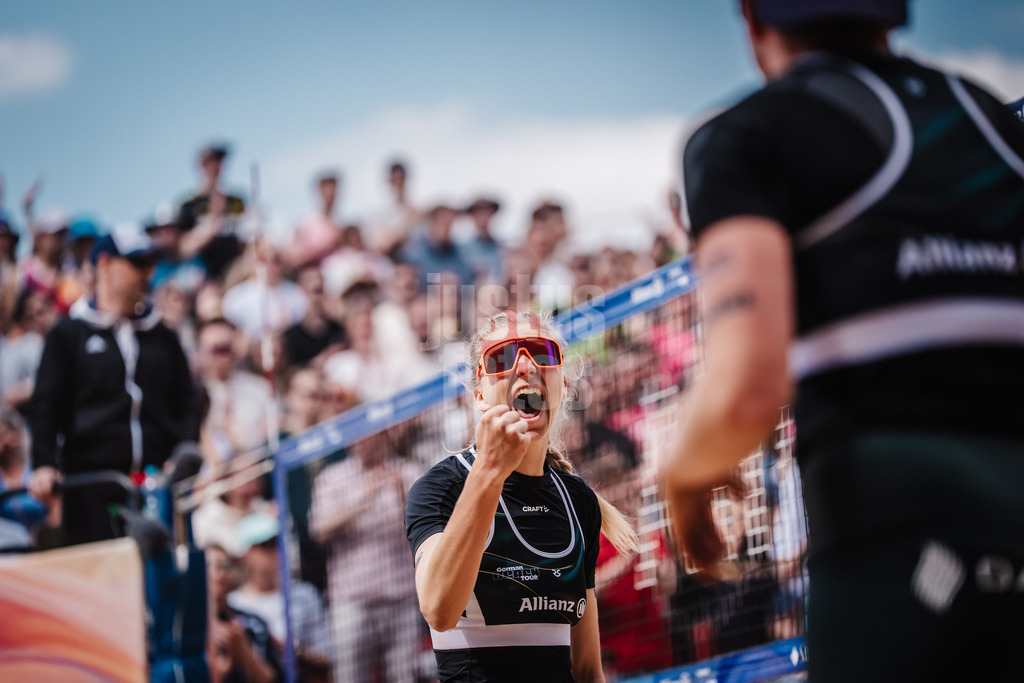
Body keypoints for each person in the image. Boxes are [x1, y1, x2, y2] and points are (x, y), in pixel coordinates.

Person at [662, 1, 1024, 681]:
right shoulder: (991, 118)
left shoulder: (747, 131)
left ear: (751, 22)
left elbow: (748, 387)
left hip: (896, 515)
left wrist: (680, 479)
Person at [405, 310, 639, 682]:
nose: (526, 366)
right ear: (480, 395)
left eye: (541, 352)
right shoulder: (442, 488)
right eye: (502, 357)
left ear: (562, 383)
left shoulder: (578, 499)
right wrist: (488, 471)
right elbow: (438, 609)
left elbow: (587, 669)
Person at [28, 223, 202, 546]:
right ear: (105, 264)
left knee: (166, 580)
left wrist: (182, 452)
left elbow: (189, 404)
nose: (148, 272)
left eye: (151, 263)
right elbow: (46, 405)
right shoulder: (67, 335)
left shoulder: (163, 337)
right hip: (90, 489)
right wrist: (44, 464)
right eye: (137, 263)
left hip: (159, 488)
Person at [309, 430, 425, 683]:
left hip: (401, 594)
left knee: (404, 675)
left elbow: (426, 527)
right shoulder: (333, 476)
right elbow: (319, 529)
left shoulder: (407, 470)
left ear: (384, 437)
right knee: (349, 676)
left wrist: (401, 494)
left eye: (367, 436)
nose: (358, 442)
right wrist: (365, 497)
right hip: (351, 597)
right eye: (356, 435)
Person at [206, 542, 283, 683]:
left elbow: (271, 678)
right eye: (209, 566)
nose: (219, 573)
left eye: (224, 566)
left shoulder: (253, 622)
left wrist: (242, 650)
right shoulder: (185, 630)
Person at [176, 143, 248, 283]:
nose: (216, 166)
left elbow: (247, 238)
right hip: (204, 277)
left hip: (238, 272)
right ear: (201, 165)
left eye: (220, 161)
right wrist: (214, 221)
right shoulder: (188, 205)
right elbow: (182, 248)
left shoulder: (237, 201)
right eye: (211, 161)